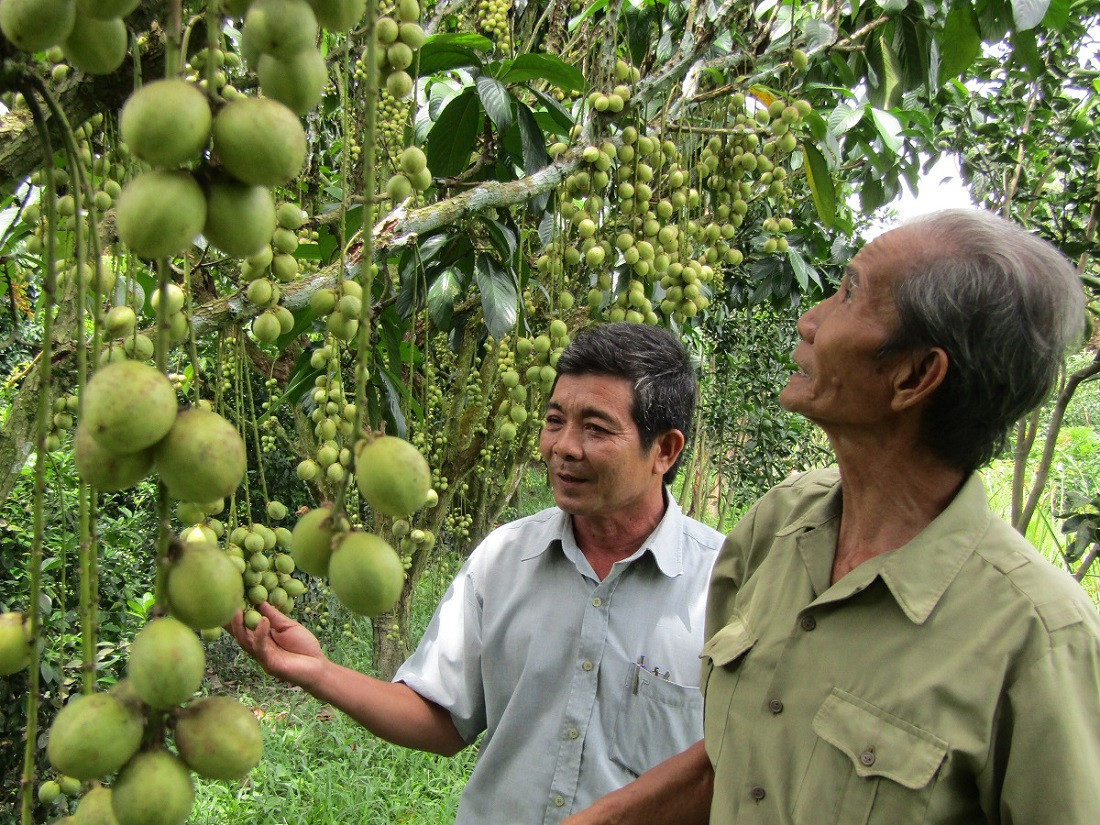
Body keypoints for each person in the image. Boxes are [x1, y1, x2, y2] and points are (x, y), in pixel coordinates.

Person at [565, 208, 1100, 824]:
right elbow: (736, 757)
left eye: (849, 294)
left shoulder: (1039, 641)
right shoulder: (778, 526)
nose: (809, 319)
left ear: (916, 374)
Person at [230, 322, 724, 824]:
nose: (563, 447)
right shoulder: (504, 558)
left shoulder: (727, 586)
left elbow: (740, 762)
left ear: (665, 450)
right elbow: (442, 719)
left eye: (596, 428)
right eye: (555, 421)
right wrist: (317, 670)